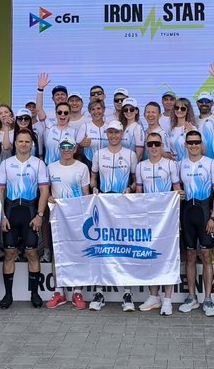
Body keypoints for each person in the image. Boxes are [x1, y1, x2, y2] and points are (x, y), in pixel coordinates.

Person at [88, 121, 137, 311]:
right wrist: (94, 188)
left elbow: (136, 180)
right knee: (102, 247)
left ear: (122, 134)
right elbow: (93, 177)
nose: (113, 136)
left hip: (123, 203)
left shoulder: (130, 154)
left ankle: (127, 294)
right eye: (110, 132)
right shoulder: (99, 154)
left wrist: (130, 188)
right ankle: (99, 293)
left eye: (116, 132)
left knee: (124, 246)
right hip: (104, 204)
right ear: (107, 134)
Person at [0, 129, 49, 308]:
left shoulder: (38, 164)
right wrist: (2, 216)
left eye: (27, 141)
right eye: (20, 141)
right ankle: (8, 295)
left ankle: (35, 294)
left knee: (32, 253)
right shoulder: (6, 164)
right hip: (11, 214)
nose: (24, 144)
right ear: (15, 144)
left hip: (30, 214)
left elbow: (44, 191)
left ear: (32, 144)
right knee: (9, 254)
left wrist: (39, 215)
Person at [135, 132, 182, 316]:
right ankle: (154, 296)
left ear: (162, 145)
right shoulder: (140, 166)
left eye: (157, 144)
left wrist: (179, 204)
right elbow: (139, 193)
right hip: (148, 218)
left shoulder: (170, 164)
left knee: (168, 256)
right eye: (150, 144)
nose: (153, 147)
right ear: (146, 147)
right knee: (150, 256)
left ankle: (167, 299)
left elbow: (177, 189)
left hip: (167, 217)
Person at [177, 129, 214, 316]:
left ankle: (208, 300)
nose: (194, 145)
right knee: (190, 256)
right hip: (187, 213)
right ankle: (192, 297)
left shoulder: (211, 163)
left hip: (204, 213)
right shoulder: (180, 164)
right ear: (185, 145)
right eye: (190, 142)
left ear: (201, 144)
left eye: (197, 142)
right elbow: (177, 190)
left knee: (205, 255)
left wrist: (213, 217)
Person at [44, 139, 91, 310]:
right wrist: (49, 197)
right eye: (63, 147)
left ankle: (77, 291)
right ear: (59, 149)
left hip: (77, 218)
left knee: (78, 252)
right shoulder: (51, 167)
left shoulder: (82, 168)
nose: (66, 150)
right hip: (58, 217)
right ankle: (59, 292)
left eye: (69, 147)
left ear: (74, 149)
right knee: (58, 254)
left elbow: (86, 194)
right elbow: (45, 191)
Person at [38, 99, 85, 165]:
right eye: (59, 112)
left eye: (66, 113)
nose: (62, 115)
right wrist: (40, 92)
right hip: (49, 167)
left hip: (67, 168)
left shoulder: (74, 132)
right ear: (56, 113)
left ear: (69, 114)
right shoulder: (49, 127)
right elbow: (39, 109)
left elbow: (77, 153)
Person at [80, 99, 108, 168]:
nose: (96, 112)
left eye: (98, 108)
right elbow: (76, 148)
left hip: (106, 162)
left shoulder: (109, 127)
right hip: (89, 162)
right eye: (93, 109)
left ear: (103, 110)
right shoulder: (85, 126)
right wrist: (81, 145)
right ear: (89, 111)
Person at [194, 94, 214, 160]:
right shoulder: (193, 121)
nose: (204, 103)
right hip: (200, 161)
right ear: (197, 103)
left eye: (207, 101)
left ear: (212, 103)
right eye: (201, 101)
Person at [168, 97, 196, 161]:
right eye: (177, 108)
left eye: (183, 108)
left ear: (187, 111)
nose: (179, 110)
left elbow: (202, 150)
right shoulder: (171, 129)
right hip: (174, 164)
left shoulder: (191, 128)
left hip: (187, 164)